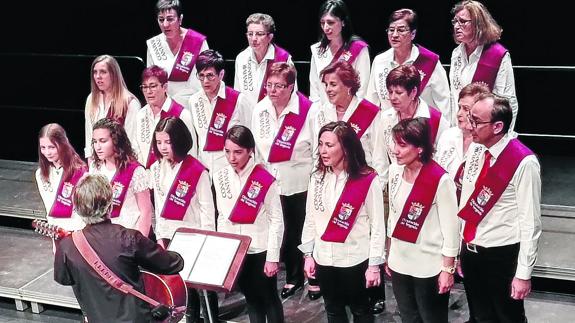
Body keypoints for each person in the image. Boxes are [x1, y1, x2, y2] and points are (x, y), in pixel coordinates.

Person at [54, 174, 184, 323]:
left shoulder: (67, 245)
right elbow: (171, 264)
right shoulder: (128, 238)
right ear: (110, 206)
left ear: (77, 209)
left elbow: (63, 278)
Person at [458, 93, 541, 323]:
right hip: (471, 251)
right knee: (479, 316)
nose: (469, 125)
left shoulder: (523, 162)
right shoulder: (476, 149)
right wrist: (459, 250)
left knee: (507, 317)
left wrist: (523, 274)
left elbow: (530, 223)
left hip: (501, 255)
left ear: (497, 126)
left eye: (476, 121)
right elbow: (466, 200)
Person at [300, 121, 385, 323]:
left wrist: (374, 265)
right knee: (333, 310)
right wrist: (308, 255)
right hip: (324, 259)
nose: (323, 151)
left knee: (361, 311)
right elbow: (310, 218)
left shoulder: (367, 179)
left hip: (354, 259)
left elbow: (378, 227)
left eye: (329, 145)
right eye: (320, 144)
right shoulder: (317, 177)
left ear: (346, 147)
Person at [250, 62, 314, 300]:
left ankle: (312, 277)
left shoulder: (308, 110)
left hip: (300, 181)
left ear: (291, 87)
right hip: (271, 182)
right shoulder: (260, 109)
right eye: (269, 85)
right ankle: (293, 278)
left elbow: (317, 149)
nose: (273, 90)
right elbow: (256, 149)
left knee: (301, 230)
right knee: (281, 231)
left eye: (278, 86)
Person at [386, 118, 459, 323]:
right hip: (400, 261)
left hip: (429, 266)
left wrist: (447, 269)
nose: (395, 150)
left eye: (402, 145)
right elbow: (393, 215)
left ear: (419, 148)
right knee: (408, 317)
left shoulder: (440, 180)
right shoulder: (394, 171)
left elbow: (451, 230)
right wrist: (389, 250)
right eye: (394, 143)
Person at [148, 116, 218, 323]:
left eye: (167, 142)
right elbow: (158, 206)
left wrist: (208, 241)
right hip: (169, 237)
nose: (163, 147)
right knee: (182, 291)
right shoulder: (155, 168)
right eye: (159, 142)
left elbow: (207, 211)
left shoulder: (196, 171)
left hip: (194, 237)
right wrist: (160, 236)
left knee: (202, 291)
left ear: (178, 141)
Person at [214, 125, 285, 322]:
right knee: (251, 300)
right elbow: (222, 216)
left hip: (260, 249)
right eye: (227, 151)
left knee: (269, 299)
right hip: (237, 251)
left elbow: (276, 220)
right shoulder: (220, 176)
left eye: (238, 152)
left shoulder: (264, 179)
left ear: (250, 150)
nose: (232, 158)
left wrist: (272, 256)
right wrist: (225, 250)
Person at [310, 60, 386, 182]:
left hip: (361, 181)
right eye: (326, 84)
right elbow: (317, 154)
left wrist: (378, 185)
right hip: (329, 181)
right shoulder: (322, 113)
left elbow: (379, 157)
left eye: (333, 84)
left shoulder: (370, 112)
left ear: (348, 86)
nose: (328, 89)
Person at [449, 0, 518, 131]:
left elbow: (508, 101)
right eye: (455, 22)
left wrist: (505, 136)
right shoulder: (456, 53)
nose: (456, 26)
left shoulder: (498, 55)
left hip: (485, 131)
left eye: (462, 21)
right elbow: (453, 95)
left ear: (478, 24)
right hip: (460, 127)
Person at [366, 8, 449, 114]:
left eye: (401, 30)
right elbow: (371, 101)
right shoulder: (379, 61)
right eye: (391, 30)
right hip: (388, 126)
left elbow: (444, 102)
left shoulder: (429, 61)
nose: (394, 35)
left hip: (421, 127)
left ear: (413, 34)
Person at [377, 65, 450, 185]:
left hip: (426, 187)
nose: (392, 97)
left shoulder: (436, 121)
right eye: (390, 92)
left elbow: (443, 159)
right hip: (396, 184)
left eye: (399, 92)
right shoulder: (386, 118)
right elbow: (379, 158)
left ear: (413, 92)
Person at [190, 49, 252, 176]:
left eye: (210, 75)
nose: (205, 81)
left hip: (231, 172)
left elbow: (251, 137)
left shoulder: (238, 100)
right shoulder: (193, 101)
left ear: (221, 74)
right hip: (204, 171)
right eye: (201, 76)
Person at [89, 118, 153, 238]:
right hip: (104, 236)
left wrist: (140, 243)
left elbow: (146, 212)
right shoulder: (95, 168)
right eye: (95, 142)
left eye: (103, 141)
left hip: (128, 236)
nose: (97, 147)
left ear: (116, 140)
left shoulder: (135, 170)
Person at [146, 0, 209, 106]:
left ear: (180, 19)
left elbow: (208, 76)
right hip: (165, 106)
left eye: (170, 19)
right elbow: (151, 81)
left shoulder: (197, 42)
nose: (165, 24)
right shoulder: (154, 44)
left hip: (195, 106)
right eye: (161, 20)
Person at [435, 82, 490, 201]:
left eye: (466, 109)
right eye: (459, 107)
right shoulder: (447, 136)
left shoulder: (487, 144)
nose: (459, 113)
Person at [309, 0, 370, 104]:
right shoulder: (317, 50)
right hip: (324, 113)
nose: (326, 27)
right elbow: (314, 90)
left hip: (350, 112)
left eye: (330, 22)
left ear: (343, 22)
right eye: (322, 23)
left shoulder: (358, 48)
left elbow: (363, 89)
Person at [134, 65, 196, 168]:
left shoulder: (182, 115)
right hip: (146, 175)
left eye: (153, 86)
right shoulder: (141, 115)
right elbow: (135, 147)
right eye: (145, 87)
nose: (148, 92)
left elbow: (191, 153)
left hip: (173, 176)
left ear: (165, 87)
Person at [84, 54, 141, 159]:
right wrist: (91, 163)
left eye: (103, 72)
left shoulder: (130, 103)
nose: (98, 76)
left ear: (114, 74)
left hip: (120, 163)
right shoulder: (91, 99)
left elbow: (132, 144)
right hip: (97, 163)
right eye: (95, 72)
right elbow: (89, 138)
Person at [234, 13, 297, 106]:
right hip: (246, 117)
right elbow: (237, 94)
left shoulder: (283, 59)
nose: (254, 38)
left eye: (259, 34)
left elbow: (293, 95)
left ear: (270, 37)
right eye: (250, 34)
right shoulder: (241, 58)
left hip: (271, 117)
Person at [35, 123, 87, 232]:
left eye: (52, 147)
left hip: (77, 230)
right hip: (55, 230)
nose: (47, 152)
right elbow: (48, 205)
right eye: (43, 148)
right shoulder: (40, 174)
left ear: (63, 144)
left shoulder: (81, 172)